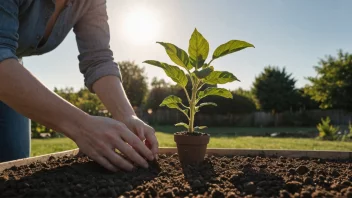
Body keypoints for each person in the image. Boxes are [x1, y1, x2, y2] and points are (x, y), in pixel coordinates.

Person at [0, 0, 159, 172]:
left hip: (10, 68)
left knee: (13, 163)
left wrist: (127, 116)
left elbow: (97, 60)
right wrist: (81, 126)